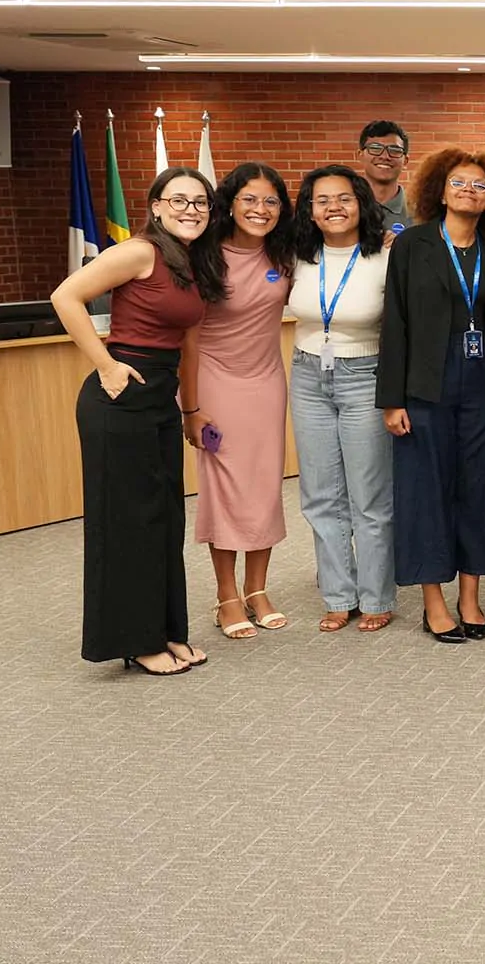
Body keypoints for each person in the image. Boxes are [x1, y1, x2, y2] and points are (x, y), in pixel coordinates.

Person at [50, 167, 222, 675]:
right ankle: (135, 640)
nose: (191, 210)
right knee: (128, 522)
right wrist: (105, 365)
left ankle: (166, 631)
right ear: (156, 207)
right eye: (179, 200)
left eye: (201, 202)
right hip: (119, 396)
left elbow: (189, 343)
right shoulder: (140, 251)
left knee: (164, 519)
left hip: (160, 398)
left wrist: (190, 410)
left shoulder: (191, 262)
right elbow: (65, 296)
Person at [377, 147, 485, 644]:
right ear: (440, 190)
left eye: (480, 186)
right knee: (426, 490)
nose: (469, 191)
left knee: (476, 488)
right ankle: (434, 602)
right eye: (459, 182)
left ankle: (470, 598)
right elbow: (395, 322)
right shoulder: (412, 245)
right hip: (424, 382)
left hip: (479, 381)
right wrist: (393, 399)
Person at [180, 162, 295, 638]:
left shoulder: (284, 252)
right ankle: (226, 595)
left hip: (267, 382)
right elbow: (188, 339)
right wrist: (190, 408)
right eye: (250, 199)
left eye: (271, 201)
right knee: (225, 488)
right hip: (215, 381)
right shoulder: (202, 254)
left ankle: (257, 590)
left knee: (264, 485)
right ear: (229, 203)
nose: (260, 209)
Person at [283, 165, 397, 632]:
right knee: (320, 495)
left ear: (361, 204)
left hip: (365, 375)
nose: (334, 207)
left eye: (344, 198)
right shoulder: (296, 256)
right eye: (322, 199)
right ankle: (337, 595)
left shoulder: (385, 256)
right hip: (307, 375)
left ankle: (376, 597)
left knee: (369, 496)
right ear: (309, 210)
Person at [357, 120, 412, 233]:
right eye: (375, 148)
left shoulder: (421, 212)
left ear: (405, 161)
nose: (385, 156)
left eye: (395, 150)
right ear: (360, 155)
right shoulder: (345, 207)